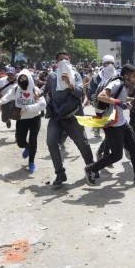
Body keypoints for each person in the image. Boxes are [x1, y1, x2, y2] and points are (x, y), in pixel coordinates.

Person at [83, 64, 135, 185]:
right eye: (134, 76)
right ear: (126, 76)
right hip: (112, 124)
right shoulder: (116, 83)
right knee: (116, 155)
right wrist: (119, 102)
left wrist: (134, 100)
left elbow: (121, 98)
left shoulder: (125, 85)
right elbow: (102, 96)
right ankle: (90, 169)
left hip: (122, 123)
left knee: (134, 147)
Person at [45, 52, 96, 187]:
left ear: (69, 61)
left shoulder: (76, 75)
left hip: (73, 117)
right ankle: (60, 173)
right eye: (60, 59)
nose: (63, 61)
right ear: (56, 62)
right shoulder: (52, 77)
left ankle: (91, 168)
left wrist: (69, 83)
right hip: (57, 117)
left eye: (65, 59)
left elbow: (80, 93)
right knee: (51, 142)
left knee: (83, 144)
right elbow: (47, 92)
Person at [0, 69, 46, 173]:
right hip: (21, 119)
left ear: (29, 79)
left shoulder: (35, 90)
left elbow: (42, 104)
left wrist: (28, 108)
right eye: (21, 79)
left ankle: (31, 162)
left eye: (25, 79)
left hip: (34, 118)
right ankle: (28, 147)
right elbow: (7, 97)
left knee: (33, 139)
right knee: (20, 142)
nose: (23, 81)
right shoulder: (16, 89)